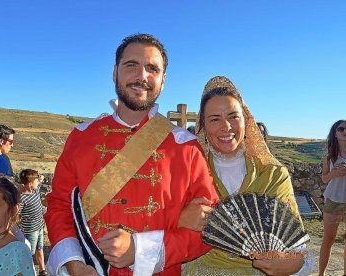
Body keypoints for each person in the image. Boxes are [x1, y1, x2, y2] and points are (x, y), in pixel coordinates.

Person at [44, 33, 219, 276]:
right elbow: (59, 206)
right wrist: (74, 264)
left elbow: (209, 227)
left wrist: (140, 250)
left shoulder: (186, 147)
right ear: (115, 72)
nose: (142, 76)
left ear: (163, 80)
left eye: (152, 69)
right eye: (131, 65)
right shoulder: (81, 137)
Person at [180, 76, 311, 275]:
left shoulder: (274, 175)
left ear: (246, 122)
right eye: (215, 119)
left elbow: (296, 248)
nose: (227, 126)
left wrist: (287, 264)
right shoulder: (187, 173)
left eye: (234, 116)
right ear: (203, 128)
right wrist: (179, 219)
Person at [319, 120, 346, 275]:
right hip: (333, 201)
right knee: (328, 240)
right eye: (341, 129)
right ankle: (321, 273)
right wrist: (334, 174)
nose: (344, 131)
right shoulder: (329, 156)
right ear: (335, 133)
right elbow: (324, 179)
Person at [19, 169, 47, 276]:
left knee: (40, 248)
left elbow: (42, 178)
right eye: (36, 181)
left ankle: (42, 270)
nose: (38, 182)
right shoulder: (23, 198)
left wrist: (38, 176)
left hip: (39, 227)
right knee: (29, 253)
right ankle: (27, 272)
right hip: (30, 230)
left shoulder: (35, 190)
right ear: (30, 183)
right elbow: (17, 213)